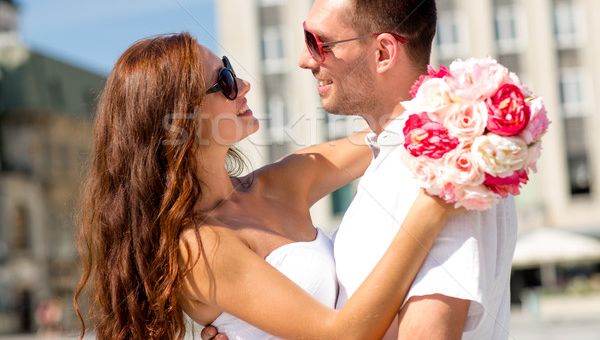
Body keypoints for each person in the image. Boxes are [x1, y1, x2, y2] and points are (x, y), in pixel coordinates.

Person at [74, 32, 463, 340]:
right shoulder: (199, 248)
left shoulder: (282, 180)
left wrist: (481, 103)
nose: (242, 82)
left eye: (229, 67)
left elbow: (396, 135)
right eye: (224, 80)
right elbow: (343, 334)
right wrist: (431, 211)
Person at [297, 0, 518, 339]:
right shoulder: (394, 156)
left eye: (319, 43)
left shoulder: (451, 164)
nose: (305, 60)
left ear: (383, 52)